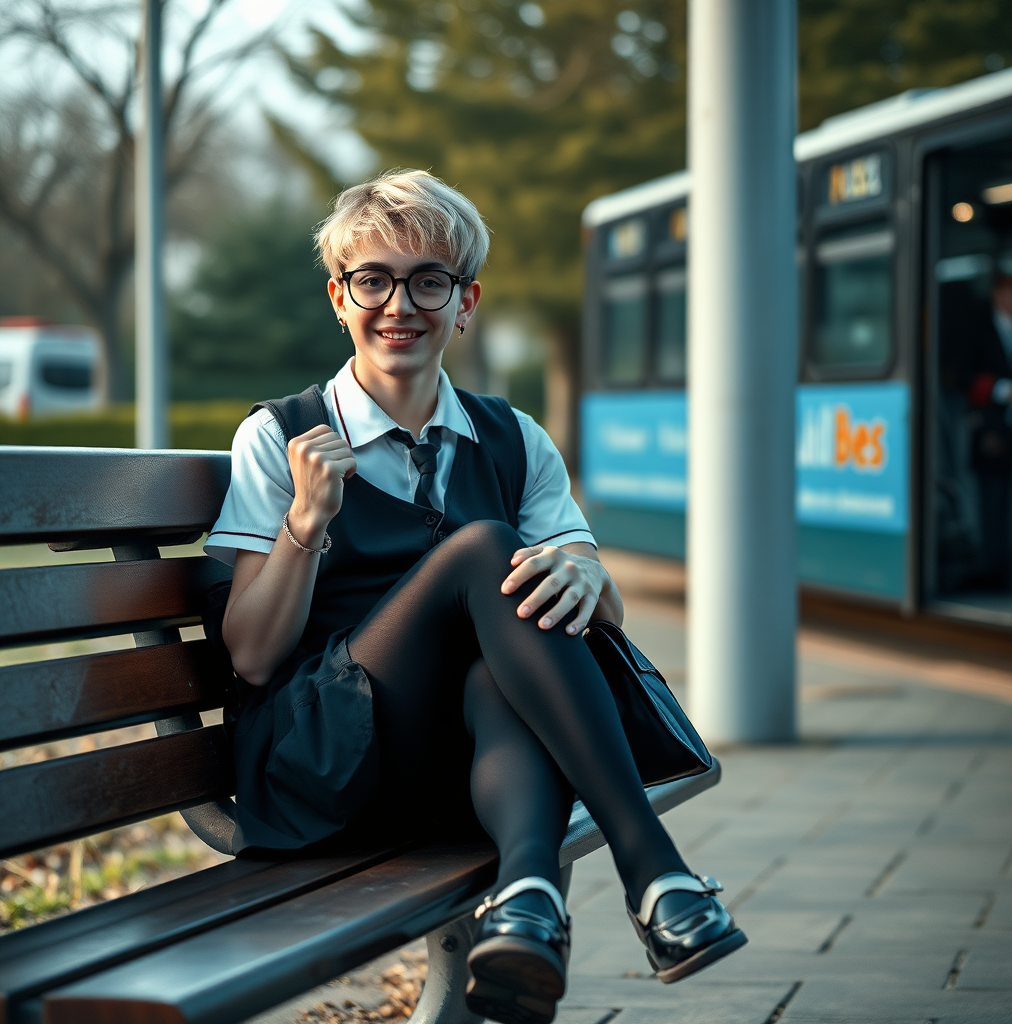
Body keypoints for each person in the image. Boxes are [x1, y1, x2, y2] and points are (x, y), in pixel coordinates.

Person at [206, 169, 745, 1024]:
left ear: (465, 303)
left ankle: (527, 896)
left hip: (461, 759)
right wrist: (307, 520)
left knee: (503, 663)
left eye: (429, 281)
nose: (400, 305)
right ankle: (657, 871)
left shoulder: (513, 439)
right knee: (491, 548)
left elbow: (595, 617)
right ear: (338, 299)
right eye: (373, 280)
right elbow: (254, 655)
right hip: (323, 763)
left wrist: (586, 573)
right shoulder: (281, 437)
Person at [961, 270, 1012, 588]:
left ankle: (1011, 566)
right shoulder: (979, 331)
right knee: (993, 504)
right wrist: (1003, 390)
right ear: (999, 296)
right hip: (992, 431)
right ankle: (994, 568)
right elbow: (963, 378)